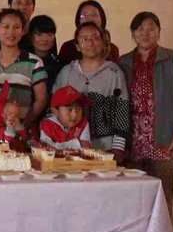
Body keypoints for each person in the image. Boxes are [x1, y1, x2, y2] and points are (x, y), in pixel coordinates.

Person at [119, 12, 173, 211]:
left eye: (151, 28)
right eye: (140, 29)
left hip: (163, 140)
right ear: (133, 34)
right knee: (133, 198)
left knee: (162, 196)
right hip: (132, 142)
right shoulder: (123, 62)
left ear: (159, 32)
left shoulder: (172, 59)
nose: (145, 33)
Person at [53, 23, 130, 161]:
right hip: (71, 146)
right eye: (84, 39)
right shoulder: (67, 72)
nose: (90, 43)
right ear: (77, 46)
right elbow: (54, 108)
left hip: (105, 147)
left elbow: (122, 109)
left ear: (102, 42)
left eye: (95, 38)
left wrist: (118, 148)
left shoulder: (114, 72)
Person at [0, 8, 48, 134]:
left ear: (23, 31)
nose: (11, 32)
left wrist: (23, 125)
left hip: (20, 134)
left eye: (16, 27)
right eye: (6, 27)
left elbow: (41, 99)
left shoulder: (34, 62)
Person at [39, 86, 92, 150]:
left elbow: (86, 145)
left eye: (78, 109)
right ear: (55, 111)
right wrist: (76, 143)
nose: (74, 115)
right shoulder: (47, 125)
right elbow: (45, 146)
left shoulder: (83, 124)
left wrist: (58, 146)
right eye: (70, 110)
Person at [27, 15, 63, 93]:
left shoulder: (59, 66)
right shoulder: (24, 63)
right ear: (30, 37)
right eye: (39, 34)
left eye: (49, 34)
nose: (45, 39)